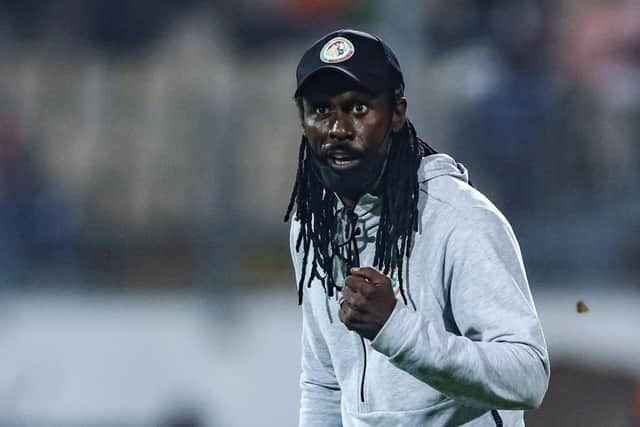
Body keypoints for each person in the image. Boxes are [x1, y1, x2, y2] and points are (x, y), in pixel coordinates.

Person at [284, 29, 549, 427]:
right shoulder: (313, 226)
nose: (338, 128)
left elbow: (528, 376)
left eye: (357, 108)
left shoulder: (459, 218)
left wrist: (397, 329)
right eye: (321, 110)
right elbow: (325, 382)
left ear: (397, 113)